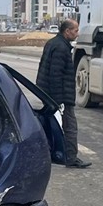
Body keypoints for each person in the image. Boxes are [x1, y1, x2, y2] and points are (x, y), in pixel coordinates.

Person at [37, 19, 90, 168]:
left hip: (47, 92)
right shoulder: (61, 48)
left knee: (50, 124)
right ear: (67, 31)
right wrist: (58, 102)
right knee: (70, 127)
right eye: (75, 31)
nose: (77, 34)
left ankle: (48, 154)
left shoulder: (54, 43)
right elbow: (56, 75)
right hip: (59, 96)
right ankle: (71, 158)